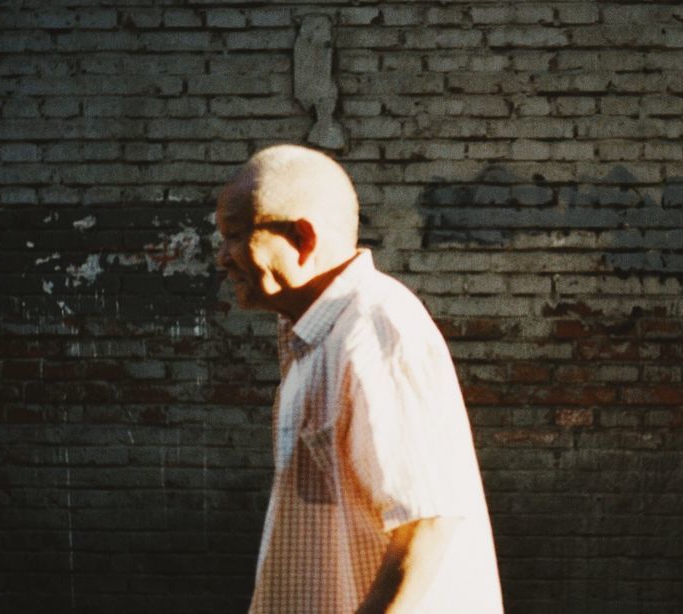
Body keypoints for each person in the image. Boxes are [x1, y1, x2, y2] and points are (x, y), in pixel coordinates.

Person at [214, 144, 504, 614]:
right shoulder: (315, 337)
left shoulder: (375, 328)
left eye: (233, 235)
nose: (222, 258)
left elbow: (426, 523)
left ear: (302, 239)